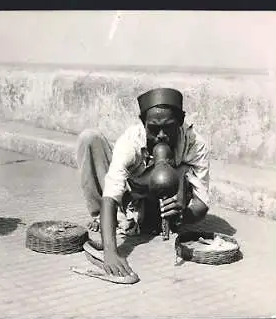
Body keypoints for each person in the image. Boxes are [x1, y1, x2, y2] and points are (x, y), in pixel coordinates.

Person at [76, 87, 210, 278]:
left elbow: (202, 204)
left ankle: (161, 222)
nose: (161, 136)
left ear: (180, 122)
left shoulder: (195, 144)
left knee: (183, 171)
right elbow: (111, 194)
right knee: (89, 138)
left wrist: (184, 214)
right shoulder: (130, 141)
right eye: (154, 129)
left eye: (169, 127)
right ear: (143, 123)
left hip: (166, 205)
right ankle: (106, 219)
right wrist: (110, 252)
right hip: (134, 196)